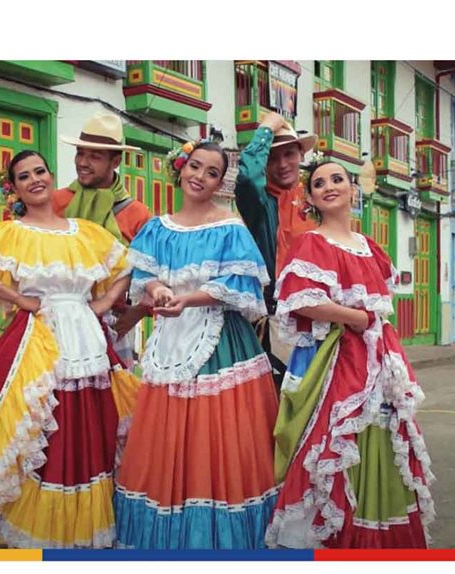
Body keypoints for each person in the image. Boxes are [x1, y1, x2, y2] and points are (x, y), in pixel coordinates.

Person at [0, 149, 139, 548]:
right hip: (38, 343)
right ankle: (44, 527)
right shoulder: (12, 232)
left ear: (51, 177)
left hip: (87, 339)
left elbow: (126, 265)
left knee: (90, 428)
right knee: (46, 432)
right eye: (24, 176)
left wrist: (104, 302)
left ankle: (85, 525)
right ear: (14, 189)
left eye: (40, 171)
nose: (35, 179)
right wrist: (19, 299)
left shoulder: (85, 231)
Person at [113, 141, 280, 549]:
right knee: (168, 433)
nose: (200, 177)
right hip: (170, 341)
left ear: (220, 183)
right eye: (195, 166)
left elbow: (239, 286)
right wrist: (157, 289)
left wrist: (187, 299)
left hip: (221, 343)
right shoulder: (157, 228)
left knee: (217, 435)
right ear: (181, 167)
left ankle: (218, 537)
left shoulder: (230, 227)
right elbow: (145, 276)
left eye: (211, 173)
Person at [265, 159, 434, 549]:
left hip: (380, 357)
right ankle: (342, 539)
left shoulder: (370, 248)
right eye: (319, 183)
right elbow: (302, 301)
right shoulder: (312, 243)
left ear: (352, 190)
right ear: (310, 198)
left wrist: (368, 323)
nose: (329, 186)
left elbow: (381, 302)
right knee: (338, 441)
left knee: (383, 435)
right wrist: (357, 317)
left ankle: (378, 540)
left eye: (337, 179)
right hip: (340, 358)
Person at [0, 110, 153, 361]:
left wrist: (135, 312)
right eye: (80, 153)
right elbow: (13, 242)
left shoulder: (137, 214)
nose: (83, 162)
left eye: (95, 156)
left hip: (113, 321)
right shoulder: (57, 200)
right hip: (48, 319)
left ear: (115, 161)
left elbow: (150, 269)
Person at [234, 112, 319, 387]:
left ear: (301, 156)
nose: (282, 164)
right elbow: (247, 178)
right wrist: (266, 129)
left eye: (289, 154)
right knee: (277, 399)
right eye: (272, 157)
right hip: (275, 321)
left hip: (320, 319)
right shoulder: (260, 204)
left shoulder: (316, 201)